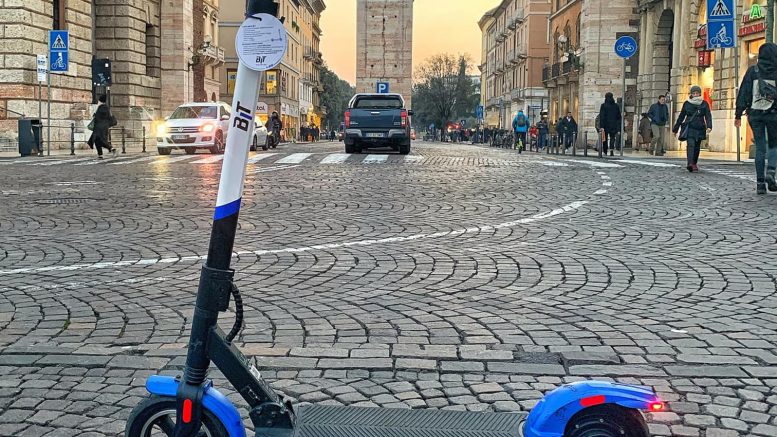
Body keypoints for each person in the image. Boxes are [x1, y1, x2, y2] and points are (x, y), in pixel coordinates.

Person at [736, 42, 777, 194]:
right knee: (774, 145)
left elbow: (743, 92)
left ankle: (760, 184)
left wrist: (738, 114)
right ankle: (771, 172)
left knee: (760, 148)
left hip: (755, 114)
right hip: (773, 114)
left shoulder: (753, 71)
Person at [673, 85, 712, 173]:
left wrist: (709, 126)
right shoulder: (687, 103)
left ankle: (694, 163)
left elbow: (708, 116)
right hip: (690, 127)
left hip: (700, 127)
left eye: (697, 93)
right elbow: (681, 116)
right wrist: (675, 128)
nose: (695, 95)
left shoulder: (704, 104)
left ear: (699, 94)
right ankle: (690, 163)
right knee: (691, 145)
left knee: (697, 147)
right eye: (694, 93)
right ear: (691, 94)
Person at [87, 95, 117, 159]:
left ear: (100, 101)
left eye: (98, 100)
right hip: (105, 127)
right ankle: (101, 154)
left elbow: (97, 118)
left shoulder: (100, 108)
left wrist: (94, 115)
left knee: (98, 140)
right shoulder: (107, 108)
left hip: (98, 127)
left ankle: (110, 149)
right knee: (100, 140)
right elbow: (108, 117)